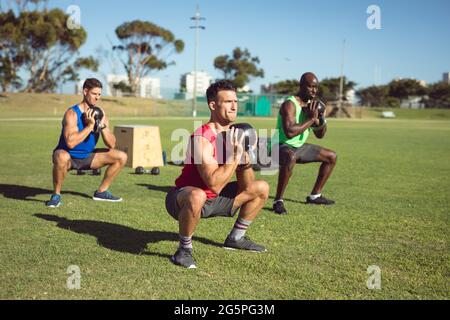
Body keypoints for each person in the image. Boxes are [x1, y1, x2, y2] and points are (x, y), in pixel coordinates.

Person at [165, 80, 269, 269]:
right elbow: (213, 183)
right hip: (183, 198)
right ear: (213, 105)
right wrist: (235, 155)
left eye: (235, 101)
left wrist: (244, 164)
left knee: (261, 187)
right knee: (199, 194)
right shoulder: (201, 137)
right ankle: (184, 250)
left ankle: (236, 238)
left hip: (215, 200)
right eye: (228, 101)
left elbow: (247, 187)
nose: (234, 106)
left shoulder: (237, 135)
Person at [46, 78, 127, 208]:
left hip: (88, 157)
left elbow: (111, 144)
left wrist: (103, 127)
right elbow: (70, 143)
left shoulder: (101, 113)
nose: (97, 98)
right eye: (94, 94)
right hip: (69, 157)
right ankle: (56, 195)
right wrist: (90, 126)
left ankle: (101, 192)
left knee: (121, 156)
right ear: (85, 91)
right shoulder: (72, 113)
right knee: (61, 156)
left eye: (99, 94)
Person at [271, 72, 337, 215]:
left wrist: (320, 120)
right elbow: (289, 132)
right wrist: (312, 120)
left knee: (331, 156)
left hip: (299, 147)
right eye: (310, 86)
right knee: (290, 156)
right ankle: (278, 201)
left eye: (316, 87)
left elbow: (320, 135)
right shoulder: (289, 104)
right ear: (301, 86)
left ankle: (315, 196)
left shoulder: (314, 106)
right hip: (279, 146)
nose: (313, 90)